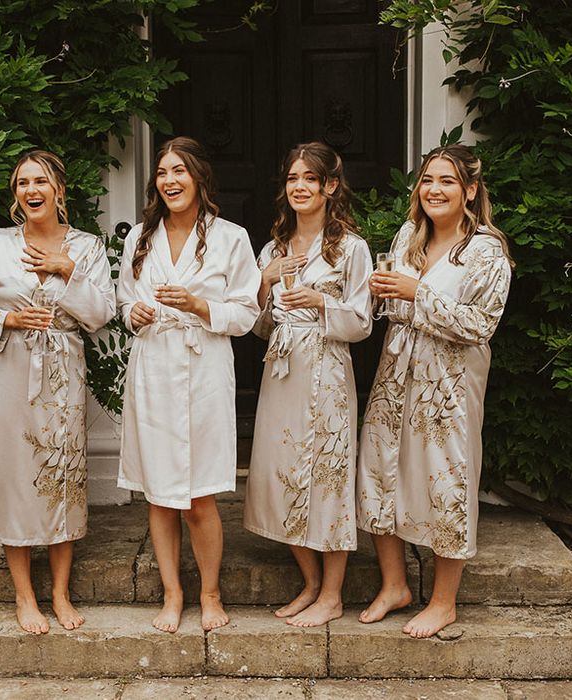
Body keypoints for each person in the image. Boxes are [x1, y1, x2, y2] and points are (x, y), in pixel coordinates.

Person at [356, 144, 514, 637]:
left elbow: (479, 325)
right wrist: (383, 294)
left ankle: (444, 602)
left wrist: (416, 293)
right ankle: (394, 586)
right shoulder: (408, 236)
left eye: (446, 181)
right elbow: (394, 307)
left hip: (447, 385)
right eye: (427, 180)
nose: (434, 190)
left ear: (469, 190)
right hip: (395, 374)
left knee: (448, 479)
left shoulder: (487, 250)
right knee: (378, 469)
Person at [0, 149, 116, 634]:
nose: (31, 191)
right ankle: (25, 596)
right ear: (15, 193)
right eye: (23, 183)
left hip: (62, 372)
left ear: (59, 190)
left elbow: (102, 313)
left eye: (40, 182)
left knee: (61, 476)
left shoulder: (85, 247)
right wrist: (7, 318)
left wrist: (67, 271)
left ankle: (60, 594)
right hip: (8, 369)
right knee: (12, 478)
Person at [117, 137, 261, 634]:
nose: (170, 180)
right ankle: (173, 595)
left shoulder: (230, 238)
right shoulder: (138, 237)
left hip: (204, 371)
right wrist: (132, 314)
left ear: (198, 177)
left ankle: (211, 593)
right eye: (162, 173)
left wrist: (201, 307)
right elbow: (123, 303)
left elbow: (247, 312)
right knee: (160, 494)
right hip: (153, 367)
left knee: (200, 496)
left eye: (180, 170)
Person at [243, 142, 373, 628]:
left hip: (327, 374)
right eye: (292, 178)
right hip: (281, 372)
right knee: (281, 475)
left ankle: (333, 594)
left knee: (328, 477)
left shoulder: (351, 249)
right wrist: (262, 282)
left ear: (330, 186)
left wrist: (320, 302)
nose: (299, 187)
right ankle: (311, 583)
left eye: (309, 179)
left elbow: (363, 322)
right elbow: (254, 324)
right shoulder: (274, 248)